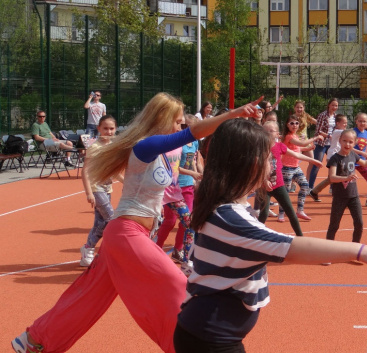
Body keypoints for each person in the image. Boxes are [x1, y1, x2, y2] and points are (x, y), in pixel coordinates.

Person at [11, 93, 261, 353]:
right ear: (161, 120)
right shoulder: (146, 145)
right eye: (176, 122)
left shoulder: (168, 151)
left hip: (131, 233)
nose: (181, 127)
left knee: (88, 297)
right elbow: (193, 133)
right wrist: (232, 114)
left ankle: (34, 340)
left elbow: (195, 140)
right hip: (127, 233)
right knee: (176, 284)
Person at [173, 119, 367, 352]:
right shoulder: (230, 220)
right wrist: (362, 251)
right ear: (250, 165)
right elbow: (291, 248)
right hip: (210, 339)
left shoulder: (223, 207)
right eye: (268, 158)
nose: (272, 165)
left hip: (208, 334)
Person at [326, 129, 367, 246]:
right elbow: (332, 177)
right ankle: (327, 251)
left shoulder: (353, 154)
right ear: (339, 141)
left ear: (355, 142)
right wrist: (346, 178)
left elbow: (365, 163)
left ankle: (355, 248)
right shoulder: (335, 158)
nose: (347, 144)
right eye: (344, 141)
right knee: (334, 225)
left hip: (353, 196)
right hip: (339, 197)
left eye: (350, 142)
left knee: (359, 224)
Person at [258, 121, 322, 234]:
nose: (267, 133)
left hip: (278, 185)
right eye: (265, 130)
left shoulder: (279, 146)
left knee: (291, 212)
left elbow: (296, 154)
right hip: (264, 186)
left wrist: (312, 160)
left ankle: (300, 237)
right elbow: (256, 167)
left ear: (278, 134)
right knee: (263, 214)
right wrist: (264, 180)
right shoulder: (259, 148)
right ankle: (255, 237)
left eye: (271, 131)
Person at [79, 115, 118, 267]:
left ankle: (87, 249)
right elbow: (85, 171)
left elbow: (115, 172)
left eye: (112, 128)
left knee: (100, 222)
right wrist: (89, 192)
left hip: (107, 187)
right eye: (105, 128)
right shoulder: (94, 147)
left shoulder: (113, 146)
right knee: (111, 218)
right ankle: (108, 251)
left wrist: (127, 181)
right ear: (99, 129)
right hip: (96, 187)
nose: (109, 132)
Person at [170, 114, 203, 261]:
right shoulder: (177, 143)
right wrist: (192, 172)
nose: (189, 130)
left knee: (188, 220)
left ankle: (181, 251)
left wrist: (198, 175)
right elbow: (175, 167)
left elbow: (194, 161)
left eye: (192, 128)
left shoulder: (195, 143)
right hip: (174, 186)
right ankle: (156, 247)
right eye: (185, 127)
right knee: (169, 222)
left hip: (188, 184)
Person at [281, 114, 324, 221]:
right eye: (291, 123)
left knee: (305, 186)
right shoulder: (288, 136)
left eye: (296, 123)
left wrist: (308, 147)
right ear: (287, 125)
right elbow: (301, 143)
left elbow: (299, 147)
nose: (294, 125)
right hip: (287, 168)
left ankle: (300, 210)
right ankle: (281, 213)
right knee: (285, 192)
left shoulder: (295, 135)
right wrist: (316, 137)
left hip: (296, 167)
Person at [308, 113, 348, 200]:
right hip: (333, 157)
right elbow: (348, 133)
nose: (346, 124)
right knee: (336, 176)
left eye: (346, 123)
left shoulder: (338, 132)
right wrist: (361, 127)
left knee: (333, 177)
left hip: (337, 156)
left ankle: (314, 191)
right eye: (344, 123)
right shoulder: (337, 131)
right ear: (337, 123)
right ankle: (338, 194)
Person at [307, 98, 338, 189]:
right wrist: (328, 136)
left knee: (333, 165)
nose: (334, 107)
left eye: (336, 105)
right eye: (333, 105)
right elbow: (318, 130)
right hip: (321, 144)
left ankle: (332, 188)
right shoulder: (322, 115)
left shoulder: (336, 117)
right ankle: (310, 187)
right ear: (329, 105)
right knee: (317, 165)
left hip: (332, 144)